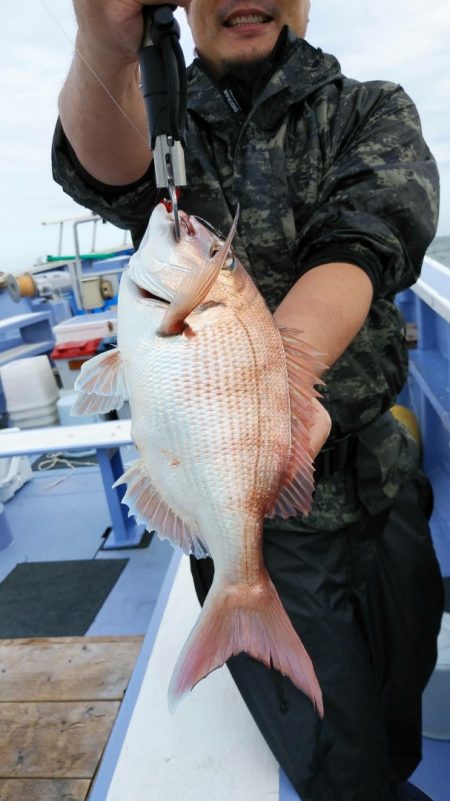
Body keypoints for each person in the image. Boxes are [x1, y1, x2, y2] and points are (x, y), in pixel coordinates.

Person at [52, 2, 445, 799]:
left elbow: (361, 243)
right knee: (339, 764)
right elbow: (109, 168)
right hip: (265, 526)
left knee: (399, 707)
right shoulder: (157, 112)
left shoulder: (369, 110)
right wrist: (103, 39)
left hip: (384, 484)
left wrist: (272, 381)